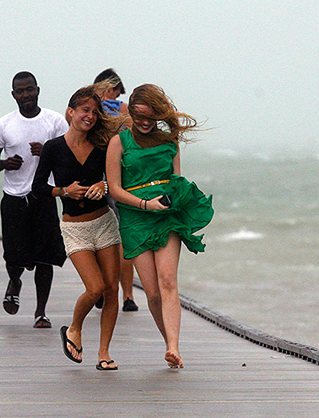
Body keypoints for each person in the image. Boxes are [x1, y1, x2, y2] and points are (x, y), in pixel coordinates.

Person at [106, 84, 214, 368]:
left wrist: (173, 204)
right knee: (152, 292)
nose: (143, 122)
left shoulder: (170, 141)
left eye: (150, 117)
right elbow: (114, 189)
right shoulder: (119, 142)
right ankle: (168, 339)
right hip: (135, 218)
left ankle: (173, 347)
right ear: (130, 111)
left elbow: (177, 179)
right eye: (139, 116)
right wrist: (145, 204)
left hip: (166, 215)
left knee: (168, 281)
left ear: (158, 115)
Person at [33, 85, 124, 370]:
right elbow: (37, 188)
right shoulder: (53, 148)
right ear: (71, 112)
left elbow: (117, 180)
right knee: (94, 288)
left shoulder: (102, 145)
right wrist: (63, 191)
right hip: (75, 229)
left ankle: (104, 353)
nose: (91, 116)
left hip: (104, 223)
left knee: (112, 290)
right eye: (85, 110)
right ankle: (74, 329)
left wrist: (104, 185)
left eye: (95, 112)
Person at [0, 71, 69, 328]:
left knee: (45, 257)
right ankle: (15, 280)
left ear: (38, 90)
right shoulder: (3, 125)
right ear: (13, 95)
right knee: (13, 256)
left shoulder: (55, 121)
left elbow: (69, 158)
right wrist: (4, 164)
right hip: (13, 197)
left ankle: (41, 312)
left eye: (29, 90)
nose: (25, 95)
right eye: (20, 91)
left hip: (43, 196)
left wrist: (47, 153)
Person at [93, 68, 138, 312]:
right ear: (112, 88)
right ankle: (127, 296)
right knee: (122, 238)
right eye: (117, 91)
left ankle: (103, 288)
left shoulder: (90, 109)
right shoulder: (123, 111)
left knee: (100, 236)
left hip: (97, 175)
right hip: (120, 176)